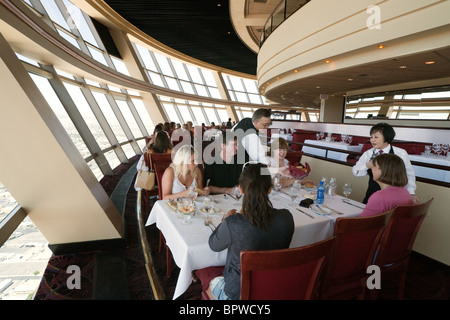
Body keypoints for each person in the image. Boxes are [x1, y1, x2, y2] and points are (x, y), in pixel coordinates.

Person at [204, 163, 295, 300]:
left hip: (238, 295)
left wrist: (225, 220)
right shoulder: (286, 218)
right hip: (273, 288)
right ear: (270, 189)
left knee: (205, 274)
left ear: (240, 189)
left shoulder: (233, 222)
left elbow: (213, 245)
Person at [352, 123, 417, 204]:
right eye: (371, 137)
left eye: (376, 137)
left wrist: (411, 193)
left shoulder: (400, 153)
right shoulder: (368, 154)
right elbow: (356, 172)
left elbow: (409, 174)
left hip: (394, 197)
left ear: (386, 137)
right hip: (373, 194)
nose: (372, 140)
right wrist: (367, 165)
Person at [203, 131, 243, 195]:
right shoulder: (211, 164)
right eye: (233, 145)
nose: (237, 148)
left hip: (236, 197)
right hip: (217, 199)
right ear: (223, 146)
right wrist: (226, 190)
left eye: (237, 144)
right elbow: (207, 187)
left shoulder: (240, 161)